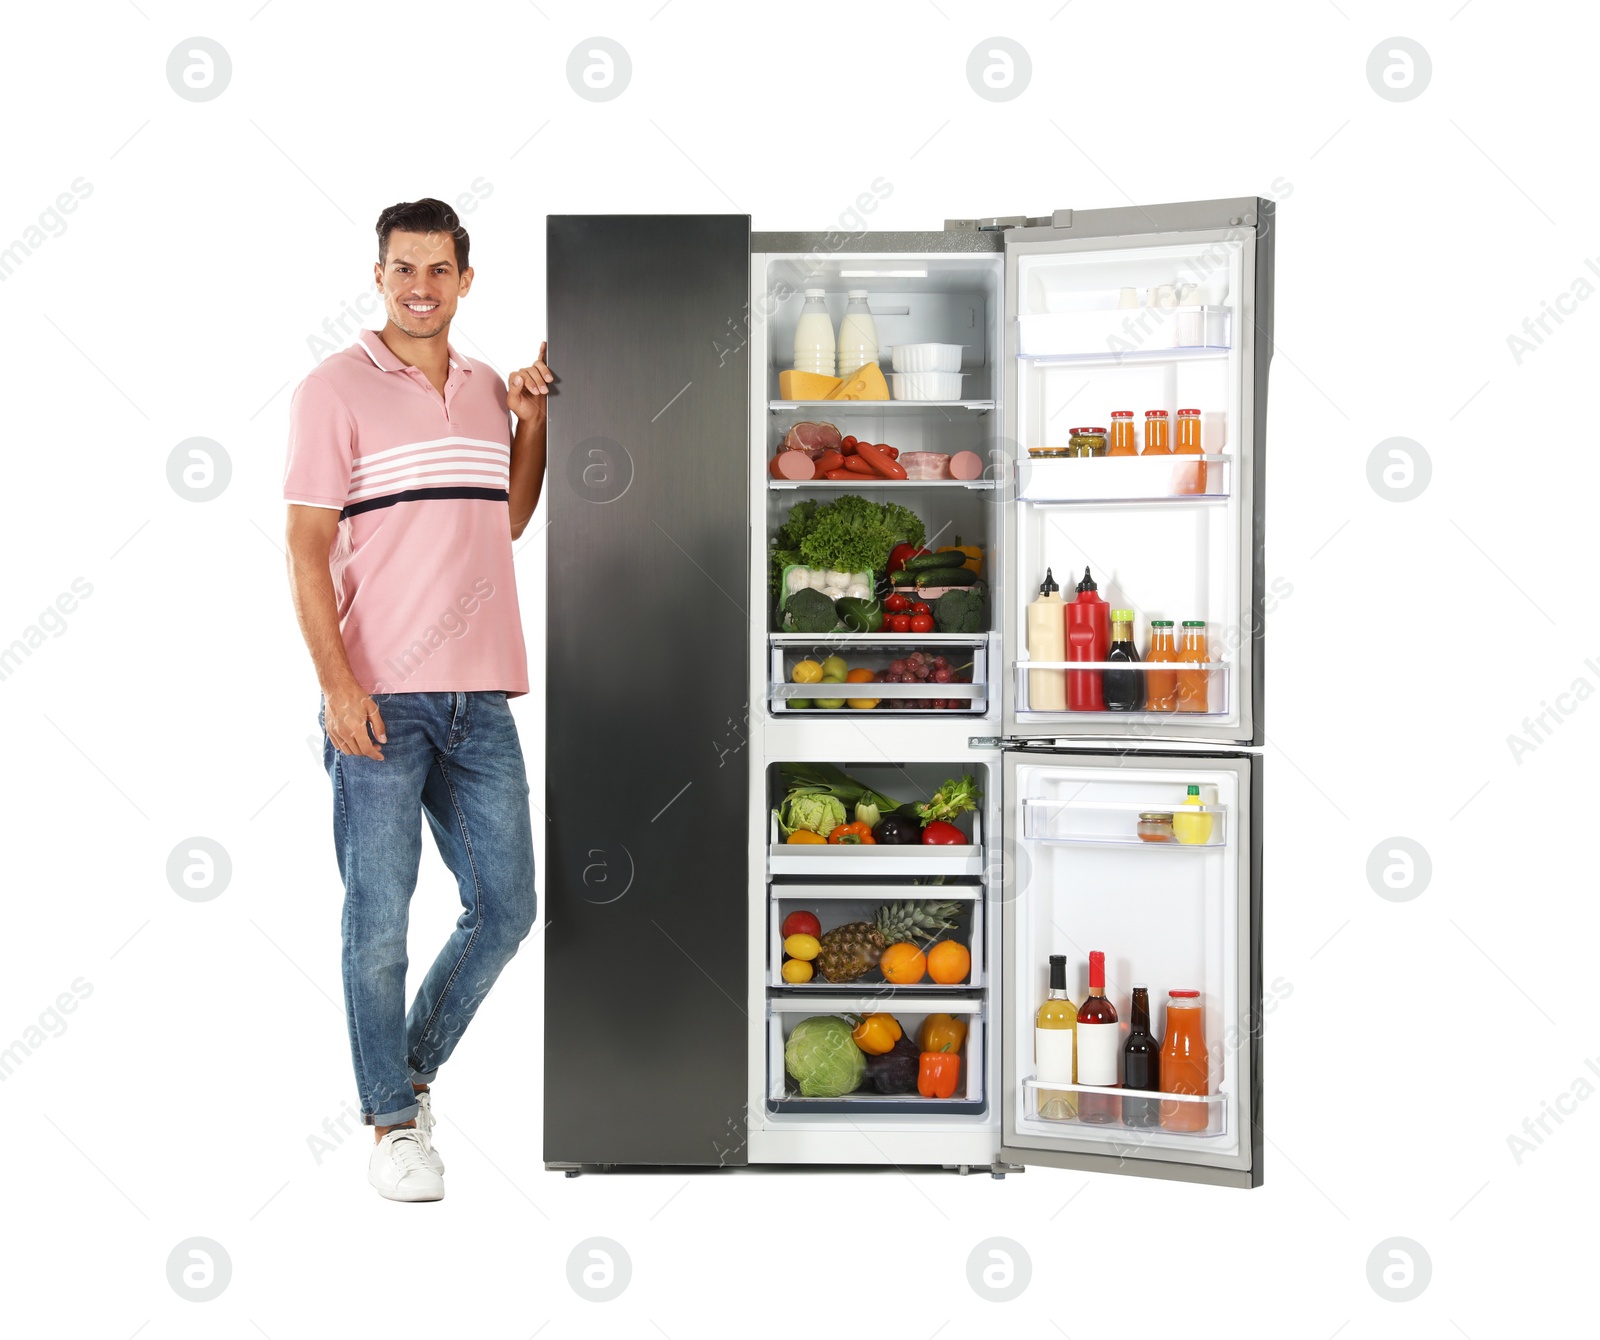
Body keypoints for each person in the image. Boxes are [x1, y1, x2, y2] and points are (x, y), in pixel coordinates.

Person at [283, 197, 552, 1202]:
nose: (420, 288)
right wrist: (337, 685)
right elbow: (306, 548)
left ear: (465, 280)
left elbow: (511, 515)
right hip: (379, 699)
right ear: (380, 274)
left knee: (508, 905)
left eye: (438, 270)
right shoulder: (333, 389)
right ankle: (392, 1123)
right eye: (402, 269)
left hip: (480, 693)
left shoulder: (487, 388)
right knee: (379, 923)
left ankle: (407, 1071)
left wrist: (533, 421)